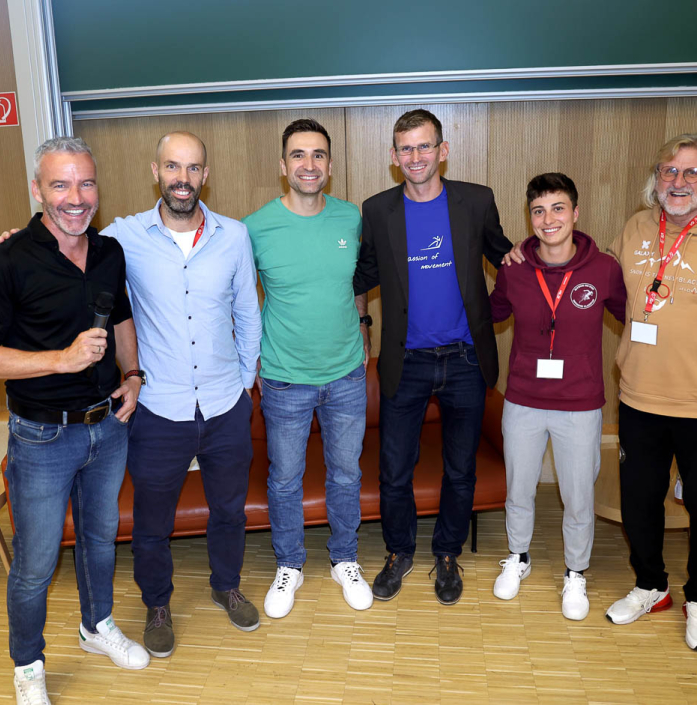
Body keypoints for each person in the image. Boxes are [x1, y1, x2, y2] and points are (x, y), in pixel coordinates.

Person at [0, 137, 149, 705]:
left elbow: (124, 315)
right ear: (38, 190)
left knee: (100, 541)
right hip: (42, 436)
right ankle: (27, 664)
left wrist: (133, 376)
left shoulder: (109, 252)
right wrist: (59, 359)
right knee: (35, 563)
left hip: (108, 427)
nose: (75, 197)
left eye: (85, 183)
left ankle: (95, 626)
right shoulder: (7, 260)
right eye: (60, 184)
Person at [104, 132, 262, 655]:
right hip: (158, 409)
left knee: (229, 511)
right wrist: (22, 239)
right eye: (173, 167)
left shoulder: (234, 236)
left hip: (224, 405)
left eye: (193, 169)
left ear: (205, 175)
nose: (183, 179)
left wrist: (242, 385)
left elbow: (247, 314)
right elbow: (68, 245)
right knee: (151, 522)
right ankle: (157, 604)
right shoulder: (124, 237)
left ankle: (226, 586)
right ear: (156, 171)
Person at [353, 109, 513, 605]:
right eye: (405, 148)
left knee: (460, 469)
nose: (415, 157)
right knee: (394, 470)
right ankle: (400, 552)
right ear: (394, 157)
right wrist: (361, 324)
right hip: (408, 361)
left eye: (424, 146)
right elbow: (362, 276)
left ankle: (446, 553)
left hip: (466, 359)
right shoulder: (377, 210)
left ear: (442, 150)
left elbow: (504, 255)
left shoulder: (476, 200)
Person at [243, 118, 373, 619]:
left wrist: (363, 326)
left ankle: (344, 559)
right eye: (298, 155)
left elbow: (357, 280)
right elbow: (236, 296)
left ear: (331, 164)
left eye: (318, 155)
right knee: (285, 479)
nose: (309, 164)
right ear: (283, 165)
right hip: (283, 377)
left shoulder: (350, 218)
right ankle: (290, 565)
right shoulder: (254, 227)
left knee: (345, 473)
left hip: (345, 374)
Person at [489, 173, 626, 620]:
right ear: (529, 218)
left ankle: (575, 572)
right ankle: (519, 557)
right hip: (523, 398)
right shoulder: (514, 269)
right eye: (539, 210)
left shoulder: (604, 268)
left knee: (577, 495)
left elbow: (634, 319)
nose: (549, 219)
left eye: (558, 208)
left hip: (580, 402)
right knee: (520, 488)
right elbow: (490, 313)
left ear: (576, 213)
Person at [605, 134, 697, 649]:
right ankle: (651, 585)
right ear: (655, 179)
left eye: (690, 173)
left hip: (696, 401)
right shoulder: (637, 226)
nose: (678, 183)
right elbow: (607, 284)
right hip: (638, 396)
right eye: (669, 172)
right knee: (641, 501)